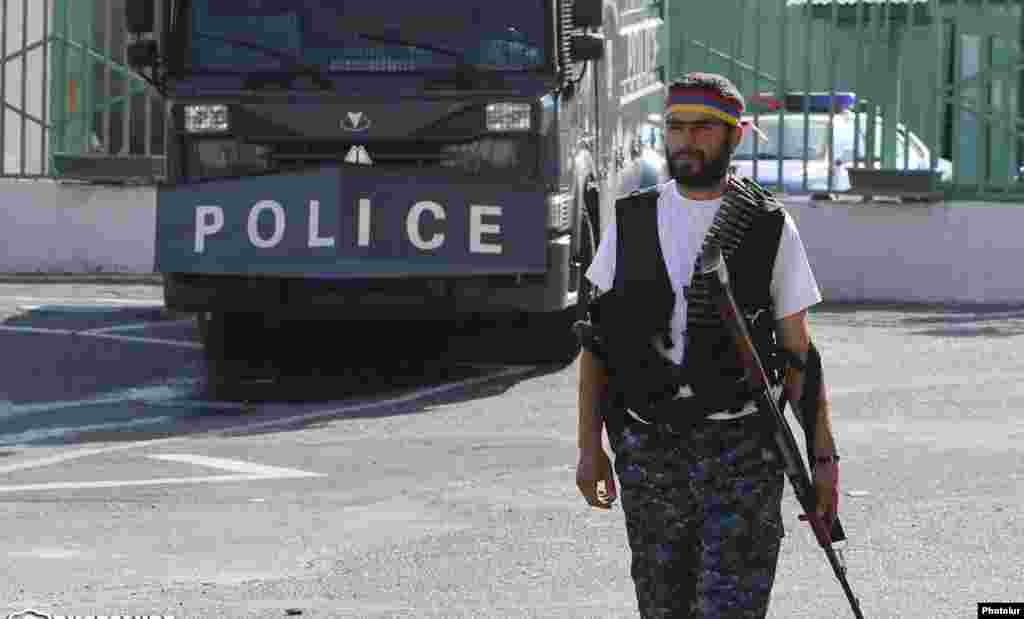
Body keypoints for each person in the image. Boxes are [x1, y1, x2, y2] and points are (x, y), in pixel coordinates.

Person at [574, 72, 840, 618]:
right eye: (675, 126)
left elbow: (799, 357)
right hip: (650, 450)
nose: (685, 141)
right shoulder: (632, 220)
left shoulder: (768, 226)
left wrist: (824, 460)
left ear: (734, 137)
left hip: (741, 450)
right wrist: (588, 447)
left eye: (702, 128)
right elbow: (597, 346)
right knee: (661, 607)